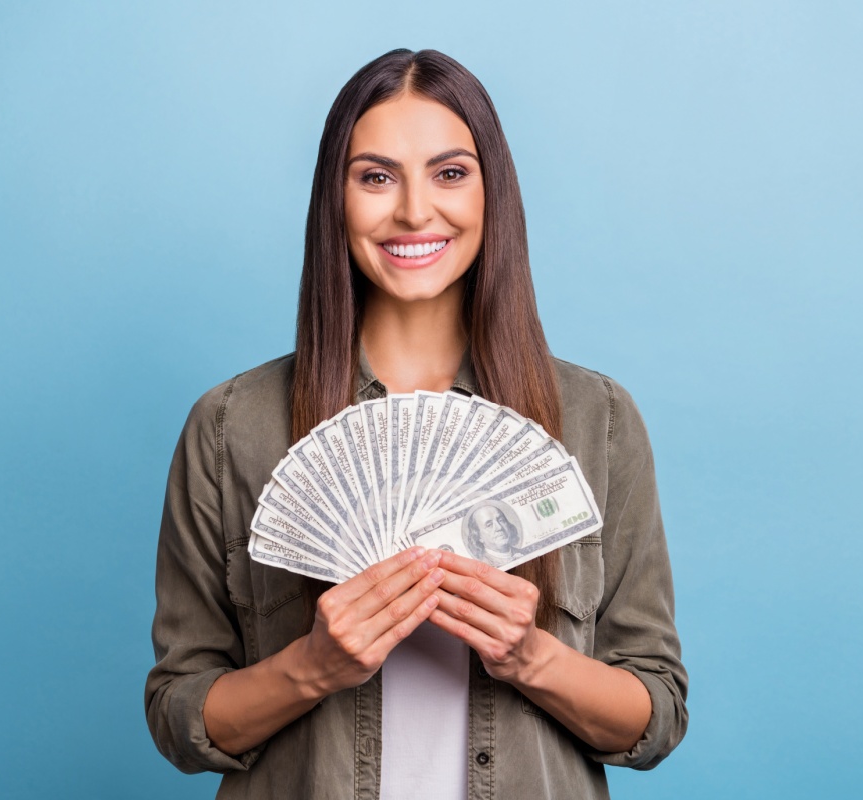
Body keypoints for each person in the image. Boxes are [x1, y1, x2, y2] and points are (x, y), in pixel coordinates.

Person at [145, 48, 687, 799]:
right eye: (375, 176)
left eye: (450, 172)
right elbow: (180, 717)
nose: (413, 211)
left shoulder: (598, 421)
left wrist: (529, 655)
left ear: (493, 191)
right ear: (335, 199)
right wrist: (312, 667)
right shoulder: (230, 426)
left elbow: (654, 715)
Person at [463, 501, 523, 566]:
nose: (499, 527)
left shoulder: (522, 553)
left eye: (501, 520)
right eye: (489, 525)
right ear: (479, 536)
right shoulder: (483, 563)